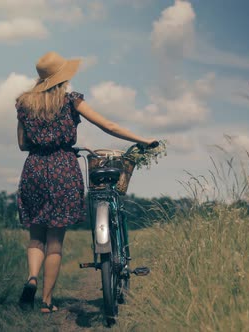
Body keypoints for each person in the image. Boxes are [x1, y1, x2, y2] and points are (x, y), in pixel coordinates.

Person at [16, 51, 157, 313]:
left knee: (36, 236)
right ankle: (46, 303)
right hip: (63, 169)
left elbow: (23, 144)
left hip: (34, 169)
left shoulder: (23, 104)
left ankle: (32, 278)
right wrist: (141, 140)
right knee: (55, 240)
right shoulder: (70, 101)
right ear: (62, 78)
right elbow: (109, 125)